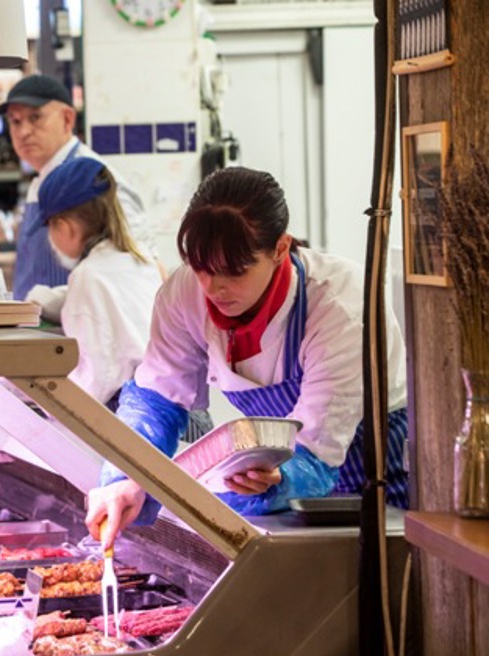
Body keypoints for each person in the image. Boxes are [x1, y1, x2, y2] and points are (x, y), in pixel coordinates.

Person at [84, 166, 409, 546]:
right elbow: (156, 403)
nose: (214, 288)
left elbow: (315, 455)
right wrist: (126, 477)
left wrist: (282, 479)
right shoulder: (186, 293)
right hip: (275, 479)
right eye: (202, 268)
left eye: (234, 271)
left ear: (280, 249)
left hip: (370, 476)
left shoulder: (341, 306)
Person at [0, 74, 160, 302]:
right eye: (15, 121)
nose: (23, 131)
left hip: (78, 332)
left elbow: (140, 267)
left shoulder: (97, 180)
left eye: (35, 117)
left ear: (68, 119)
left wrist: (47, 302)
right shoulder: (40, 180)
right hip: (40, 332)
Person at [34, 157, 162, 406]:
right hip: (183, 414)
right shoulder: (141, 260)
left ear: (65, 227)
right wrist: (39, 300)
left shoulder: (88, 276)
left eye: (49, 227)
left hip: (138, 416)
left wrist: (53, 411)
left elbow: (97, 380)